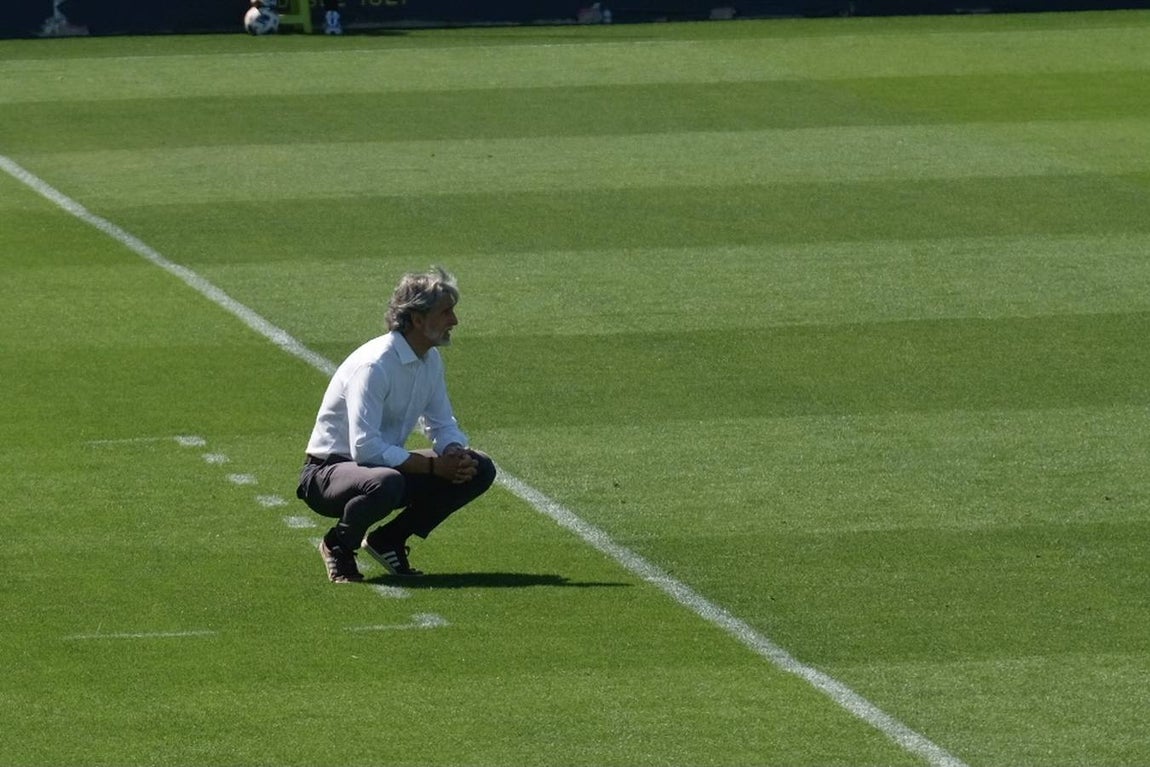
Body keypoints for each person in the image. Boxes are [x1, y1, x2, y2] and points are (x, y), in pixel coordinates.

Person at [296, 266, 496, 583]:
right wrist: (433, 468)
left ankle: (388, 540)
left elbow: (442, 424)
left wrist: (454, 452)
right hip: (328, 473)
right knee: (386, 482)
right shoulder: (375, 365)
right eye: (446, 313)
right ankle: (339, 545)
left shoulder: (429, 360)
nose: (454, 321)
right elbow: (364, 448)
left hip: (382, 468)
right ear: (418, 319)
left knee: (479, 467)